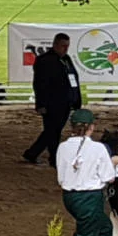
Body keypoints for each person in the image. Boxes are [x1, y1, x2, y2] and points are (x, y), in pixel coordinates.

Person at [56, 109, 118, 236]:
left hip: (70, 196)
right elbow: (109, 177)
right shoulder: (98, 148)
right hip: (89, 197)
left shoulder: (63, 147)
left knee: (104, 228)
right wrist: (114, 162)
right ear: (91, 127)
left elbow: (61, 176)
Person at [23, 33, 82, 167]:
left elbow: (74, 79)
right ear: (55, 45)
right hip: (51, 103)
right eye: (63, 46)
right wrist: (41, 104)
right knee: (53, 132)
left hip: (66, 102)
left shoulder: (66, 59)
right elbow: (39, 84)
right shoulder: (44, 60)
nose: (65, 49)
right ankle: (53, 158)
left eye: (67, 46)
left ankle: (32, 153)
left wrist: (76, 99)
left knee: (53, 131)